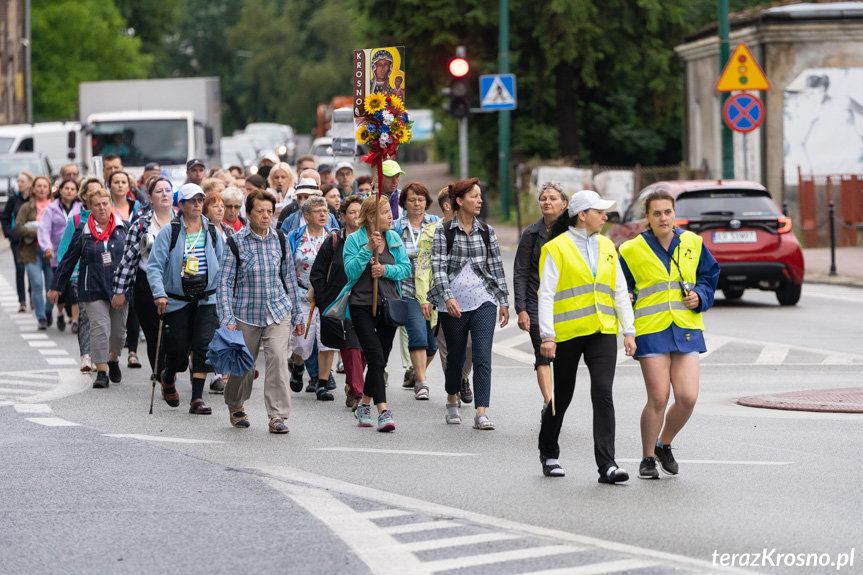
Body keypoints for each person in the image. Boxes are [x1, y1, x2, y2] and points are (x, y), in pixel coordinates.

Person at [618, 189, 719, 480]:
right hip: (650, 330)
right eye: (656, 213)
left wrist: (700, 296)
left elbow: (709, 277)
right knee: (659, 397)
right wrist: (628, 303)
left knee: (687, 397)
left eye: (668, 212)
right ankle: (647, 457)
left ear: (674, 213)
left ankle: (664, 444)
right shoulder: (630, 249)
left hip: (686, 327)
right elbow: (621, 289)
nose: (663, 218)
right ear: (647, 217)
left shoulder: (693, 242)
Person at [537, 190, 636, 483]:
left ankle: (607, 465)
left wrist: (628, 331)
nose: (605, 217)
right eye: (599, 212)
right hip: (567, 334)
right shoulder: (557, 248)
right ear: (582, 215)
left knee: (603, 393)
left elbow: (619, 291)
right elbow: (546, 295)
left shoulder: (608, 245)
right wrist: (547, 336)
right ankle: (548, 451)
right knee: (563, 395)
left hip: (603, 332)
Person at [218, 189, 306, 433]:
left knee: (278, 358)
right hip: (245, 314)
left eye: (269, 211)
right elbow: (224, 282)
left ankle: (277, 415)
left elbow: (290, 279)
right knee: (244, 365)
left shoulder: (280, 239)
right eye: (260, 211)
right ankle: (235, 405)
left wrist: (298, 314)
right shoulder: (235, 242)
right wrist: (227, 318)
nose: (266, 216)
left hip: (277, 311)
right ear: (248, 213)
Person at [323, 194, 411, 432]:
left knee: (379, 359)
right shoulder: (354, 239)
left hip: (389, 305)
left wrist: (385, 270)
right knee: (375, 357)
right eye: (384, 213)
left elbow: (405, 268)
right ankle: (383, 411)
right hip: (360, 305)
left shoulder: (393, 237)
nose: (390, 216)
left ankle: (364, 405)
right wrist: (368, 250)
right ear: (371, 217)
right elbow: (350, 272)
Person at [429, 178, 509, 430]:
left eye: (480, 196)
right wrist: (448, 297)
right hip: (451, 305)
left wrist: (504, 301)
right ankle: (452, 401)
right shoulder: (443, 231)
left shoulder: (487, 231)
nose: (480, 200)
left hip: (484, 301)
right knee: (456, 357)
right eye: (474, 196)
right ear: (459, 201)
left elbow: (496, 268)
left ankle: (481, 412)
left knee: (483, 356)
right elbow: (438, 269)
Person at [148, 183, 225, 416]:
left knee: (203, 348)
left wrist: (223, 297)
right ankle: (168, 375)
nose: (197, 204)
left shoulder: (212, 231)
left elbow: (223, 267)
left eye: (200, 200)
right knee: (179, 351)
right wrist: (159, 294)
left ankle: (197, 399)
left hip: (206, 300)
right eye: (192, 200)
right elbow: (154, 266)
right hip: (177, 300)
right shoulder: (169, 232)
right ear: (180, 205)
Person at [48, 188, 129, 388]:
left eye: (105, 203)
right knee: (100, 328)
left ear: (110, 204)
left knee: (118, 334)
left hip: (119, 288)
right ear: (90, 207)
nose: (101, 208)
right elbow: (68, 259)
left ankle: (113, 359)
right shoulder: (83, 231)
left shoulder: (124, 228)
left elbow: (133, 261)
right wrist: (56, 287)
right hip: (92, 286)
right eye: (97, 205)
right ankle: (101, 372)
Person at [513, 182, 569, 420]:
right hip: (537, 305)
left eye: (553, 198)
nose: (547, 202)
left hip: (567, 305)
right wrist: (521, 309)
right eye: (543, 198)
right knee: (543, 354)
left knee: (564, 357)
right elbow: (520, 273)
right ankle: (550, 404)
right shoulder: (531, 234)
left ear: (564, 204)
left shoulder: (573, 232)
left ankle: (557, 399)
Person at [112, 177, 175, 378]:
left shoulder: (184, 221)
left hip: (178, 287)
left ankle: (172, 368)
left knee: (175, 335)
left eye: (168, 190)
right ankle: (162, 374)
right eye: (159, 191)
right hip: (146, 286)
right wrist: (120, 291)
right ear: (149, 197)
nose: (164, 194)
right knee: (155, 335)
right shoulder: (141, 225)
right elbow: (128, 259)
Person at [415, 188, 474, 404]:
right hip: (440, 298)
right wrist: (424, 298)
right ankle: (454, 389)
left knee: (471, 344)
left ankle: (463, 376)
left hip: (471, 297)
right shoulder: (431, 232)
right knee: (448, 347)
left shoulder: (473, 228)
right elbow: (422, 267)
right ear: (448, 205)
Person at [311, 195, 366, 410]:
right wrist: (327, 301)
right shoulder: (334, 241)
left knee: (364, 351)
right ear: (343, 216)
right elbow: (317, 274)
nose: (356, 216)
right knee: (350, 347)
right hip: (342, 305)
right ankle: (357, 392)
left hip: (366, 302)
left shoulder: (372, 240)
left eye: (360, 212)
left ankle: (353, 385)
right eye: (351, 212)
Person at [392, 182, 440, 399]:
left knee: (432, 345)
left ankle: (415, 371)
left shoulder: (436, 225)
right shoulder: (395, 227)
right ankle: (421, 383)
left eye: (421, 200)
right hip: (407, 290)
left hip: (432, 291)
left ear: (427, 202)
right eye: (412, 200)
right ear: (404, 202)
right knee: (417, 335)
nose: (417, 204)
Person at [287, 196, 338, 400]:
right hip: (302, 295)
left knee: (327, 341)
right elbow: (287, 266)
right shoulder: (295, 236)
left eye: (325, 210)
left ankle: (322, 383)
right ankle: (298, 366)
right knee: (301, 340)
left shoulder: (334, 237)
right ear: (306, 215)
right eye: (317, 211)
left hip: (327, 296)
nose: (323, 214)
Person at [56, 178, 103, 370]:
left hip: (103, 276)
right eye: (92, 193)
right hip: (80, 276)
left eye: (100, 193)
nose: (97, 197)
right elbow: (64, 251)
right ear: (84, 197)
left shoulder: (111, 220)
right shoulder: (76, 221)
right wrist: (71, 274)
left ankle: (102, 354)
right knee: (85, 314)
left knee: (100, 318)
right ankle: (86, 355)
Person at [38, 178, 83, 331]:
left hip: (77, 253)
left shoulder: (81, 207)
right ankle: (60, 312)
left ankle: (76, 321)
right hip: (57, 255)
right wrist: (47, 248)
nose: (69, 191)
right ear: (60, 190)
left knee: (75, 289)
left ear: (77, 192)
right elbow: (44, 229)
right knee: (61, 290)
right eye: (66, 188)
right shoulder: (51, 208)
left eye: (73, 188)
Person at [15, 176, 57, 329]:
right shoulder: (27, 207)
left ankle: (48, 311)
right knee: (37, 284)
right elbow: (18, 228)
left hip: (51, 252)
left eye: (44, 186)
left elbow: (59, 229)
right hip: (31, 251)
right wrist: (39, 232)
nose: (41, 189)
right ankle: (41, 318)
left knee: (52, 286)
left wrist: (45, 234)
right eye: (38, 186)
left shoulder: (54, 206)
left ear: (49, 189)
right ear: (33, 189)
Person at [1, 171, 34, 312]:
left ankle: (33, 296)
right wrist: (9, 233)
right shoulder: (14, 199)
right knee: (20, 269)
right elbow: (5, 217)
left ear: (30, 183)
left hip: (33, 239)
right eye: (18, 181)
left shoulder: (34, 199)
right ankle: (22, 301)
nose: (19, 184)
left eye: (22, 181)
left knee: (32, 270)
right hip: (17, 240)